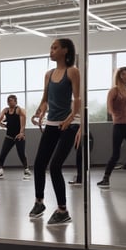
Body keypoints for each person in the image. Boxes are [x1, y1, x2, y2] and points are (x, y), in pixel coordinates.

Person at [28, 38, 80, 225]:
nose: (51, 51)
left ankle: (62, 210)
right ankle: (39, 202)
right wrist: (40, 111)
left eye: (55, 48)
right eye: (51, 47)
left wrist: (69, 120)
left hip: (68, 126)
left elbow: (78, 100)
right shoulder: (49, 74)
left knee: (55, 166)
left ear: (65, 51)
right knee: (39, 164)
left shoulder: (72, 71)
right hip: (51, 125)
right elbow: (45, 99)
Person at [96, 67, 126, 196]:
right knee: (115, 155)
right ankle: (106, 178)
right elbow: (109, 108)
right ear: (120, 76)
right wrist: (115, 115)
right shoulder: (114, 91)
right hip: (119, 126)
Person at [0, 95, 31, 180]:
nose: (9, 102)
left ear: (15, 101)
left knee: (21, 154)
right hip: (9, 136)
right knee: (2, 154)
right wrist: (2, 125)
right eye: (8, 101)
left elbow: (23, 123)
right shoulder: (5, 110)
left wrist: (21, 133)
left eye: (11, 100)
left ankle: (26, 169)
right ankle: (0, 170)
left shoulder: (19, 110)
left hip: (19, 136)